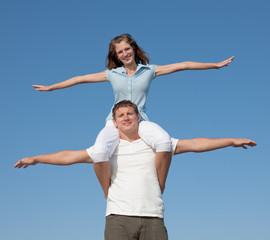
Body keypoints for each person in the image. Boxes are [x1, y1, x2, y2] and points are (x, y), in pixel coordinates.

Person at [14, 100, 256, 240]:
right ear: (115, 122)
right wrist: (37, 158)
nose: (126, 117)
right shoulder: (108, 148)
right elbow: (69, 156)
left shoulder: (156, 143)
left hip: (153, 217)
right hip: (118, 218)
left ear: (139, 117)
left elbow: (195, 144)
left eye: (130, 113)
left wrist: (231, 140)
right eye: (120, 115)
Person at [31, 34, 235, 179]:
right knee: (100, 150)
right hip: (115, 121)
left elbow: (183, 65)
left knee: (164, 140)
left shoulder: (150, 70)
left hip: (140, 120)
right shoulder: (112, 74)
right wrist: (51, 88)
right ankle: (107, 191)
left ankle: (159, 184)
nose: (125, 53)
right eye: (120, 51)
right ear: (116, 55)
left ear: (134, 49)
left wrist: (214, 65)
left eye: (127, 49)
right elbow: (80, 78)